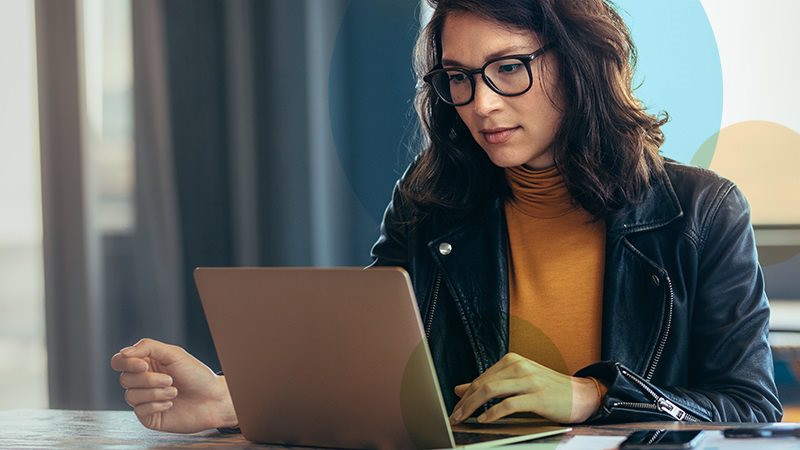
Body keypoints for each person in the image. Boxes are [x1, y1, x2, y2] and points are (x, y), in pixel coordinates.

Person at [111, 0, 782, 433]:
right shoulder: (431, 200)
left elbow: (752, 411)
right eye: (458, 78)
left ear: (581, 64)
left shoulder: (701, 212)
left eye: (508, 69)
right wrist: (234, 400)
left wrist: (590, 396)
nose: (481, 104)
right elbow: (367, 377)